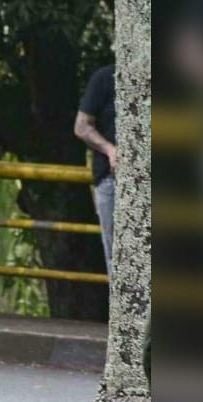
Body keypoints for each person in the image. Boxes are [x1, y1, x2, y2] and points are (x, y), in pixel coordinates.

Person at [74, 64, 117, 275]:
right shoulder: (105, 78)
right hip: (112, 180)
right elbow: (81, 127)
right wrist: (110, 150)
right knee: (117, 257)